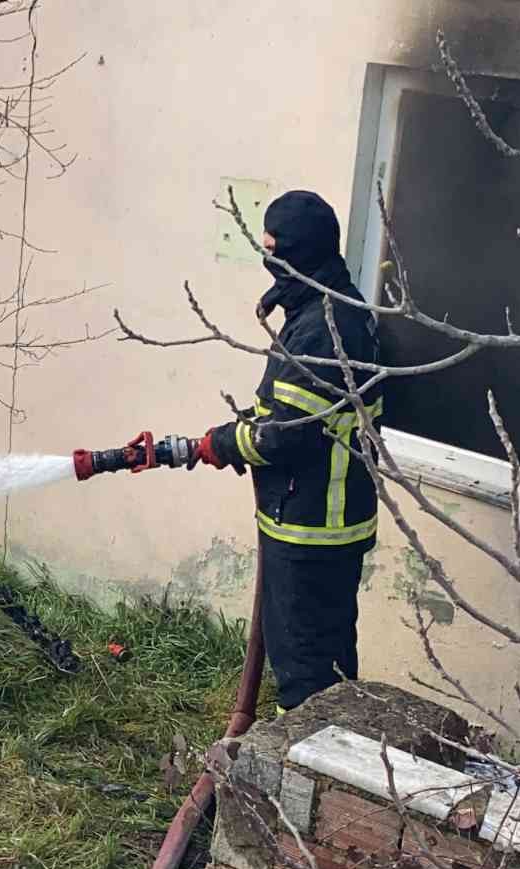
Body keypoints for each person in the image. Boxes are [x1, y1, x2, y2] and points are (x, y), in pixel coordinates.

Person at [191, 190, 383, 712]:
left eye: (275, 250)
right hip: (319, 519)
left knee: (304, 671)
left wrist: (225, 442)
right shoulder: (330, 306)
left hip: (313, 526)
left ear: (301, 252)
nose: (268, 261)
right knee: (327, 662)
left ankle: (302, 754)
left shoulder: (325, 328)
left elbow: (287, 434)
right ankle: (325, 744)